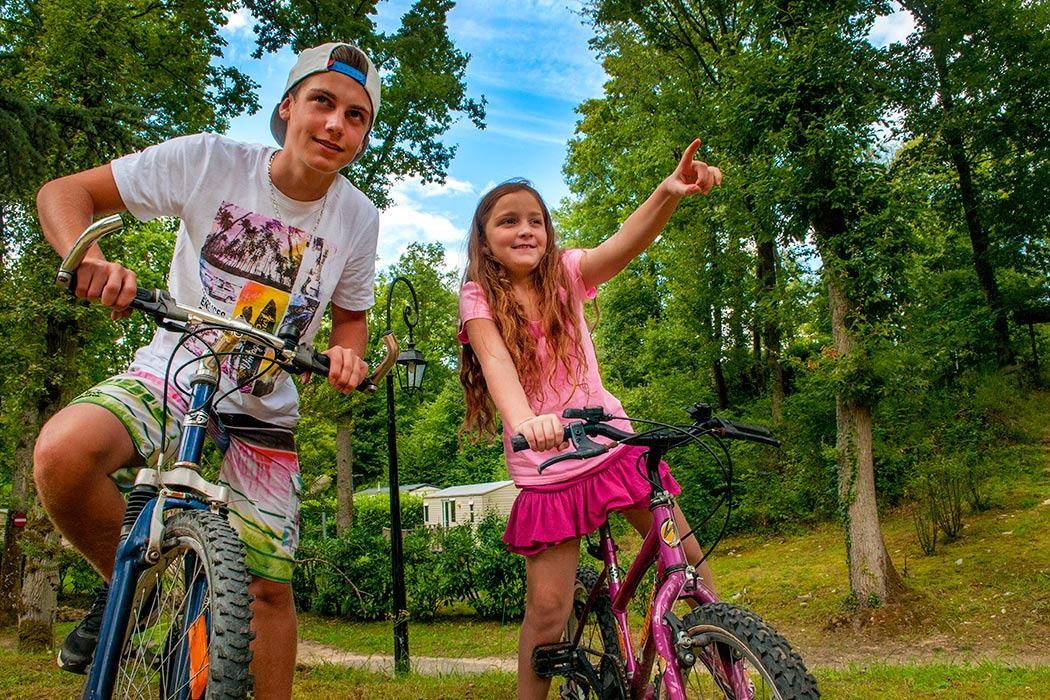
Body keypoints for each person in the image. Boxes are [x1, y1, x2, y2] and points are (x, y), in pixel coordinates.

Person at [33, 42, 382, 699]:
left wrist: (349, 355)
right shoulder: (208, 161)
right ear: (287, 108)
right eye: (323, 103)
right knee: (63, 453)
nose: (337, 124)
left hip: (265, 405)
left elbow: (350, 319)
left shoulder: (358, 219)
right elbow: (66, 192)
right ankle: (134, 590)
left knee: (267, 585)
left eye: (357, 116)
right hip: (177, 368)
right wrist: (89, 255)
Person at [457, 139, 722, 699]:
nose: (526, 230)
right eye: (509, 222)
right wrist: (528, 421)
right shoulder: (478, 296)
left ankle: (733, 662)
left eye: (536, 220)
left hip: (612, 446)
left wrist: (667, 194)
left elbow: (623, 244)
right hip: (548, 462)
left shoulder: (567, 273)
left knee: (688, 557)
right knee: (549, 609)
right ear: (484, 239)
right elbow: (497, 363)